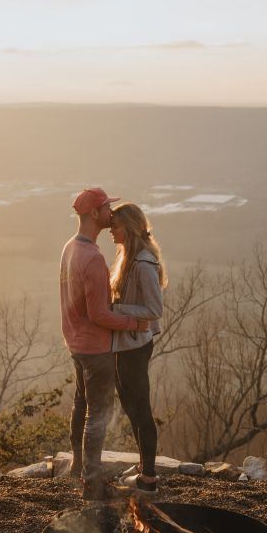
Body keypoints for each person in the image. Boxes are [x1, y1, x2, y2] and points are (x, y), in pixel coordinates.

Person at [60, 187, 149, 500]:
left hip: (74, 342)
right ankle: (92, 481)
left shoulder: (69, 248)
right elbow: (98, 314)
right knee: (98, 414)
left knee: (81, 404)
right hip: (96, 348)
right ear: (94, 214)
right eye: (106, 209)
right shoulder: (94, 258)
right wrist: (133, 323)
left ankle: (78, 467)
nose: (111, 215)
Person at [108, 203, 167, 493]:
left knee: (140, 409)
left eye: (115, 226)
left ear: (128, 228)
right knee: (132, 407)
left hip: (136, 345)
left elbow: (155, 309)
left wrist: (116, 308)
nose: (110, 231)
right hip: (128, 342)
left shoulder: (143, 264)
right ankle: (145, 467)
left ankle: (149, 479)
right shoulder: (128, 257)